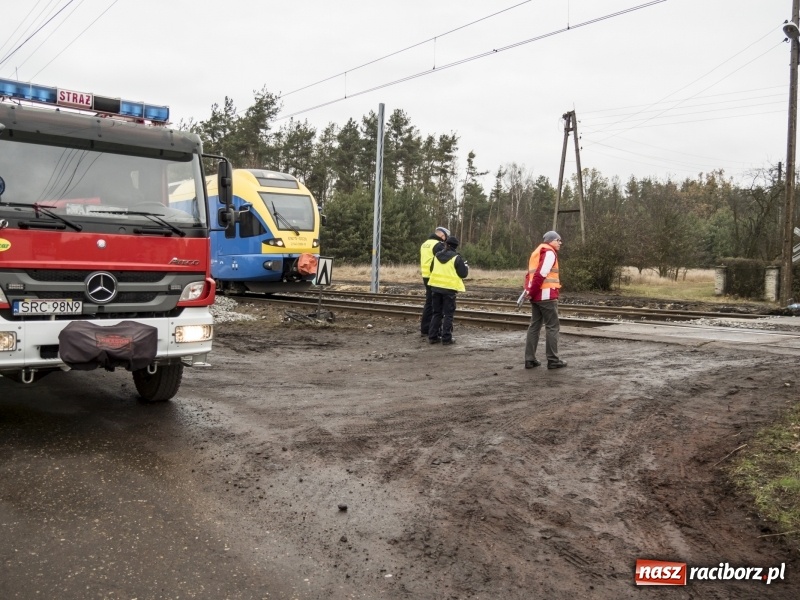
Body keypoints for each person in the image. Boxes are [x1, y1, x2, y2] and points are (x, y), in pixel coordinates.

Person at [523, 231, 567, 369]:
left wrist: (529, 291)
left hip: (536, 296)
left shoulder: (536, 252)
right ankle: (553, 360)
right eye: (558, 240)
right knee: (552, 326)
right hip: (546, 296)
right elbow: (541, 273)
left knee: (534, 326)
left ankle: (529, 359)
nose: (560, 243)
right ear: (551, 240)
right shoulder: (549, 252)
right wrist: (532, 291)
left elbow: (528, 275)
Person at [428, 236, 469, 345]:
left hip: (435, 288)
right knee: (448, 314)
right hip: (449, 290)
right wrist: (466, 267)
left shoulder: (436, 256)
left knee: (436, 313)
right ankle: (446, 338)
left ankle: (433, 336)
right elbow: (463, 274)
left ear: (446, 244)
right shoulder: (457, 258)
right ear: (456, 246)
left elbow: (431, 269)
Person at [419, 226, 449, 336]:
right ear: (442, 235)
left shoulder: (425, 244)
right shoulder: (437, 245)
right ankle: (433, 329)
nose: (445, 240)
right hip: (434, 276)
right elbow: (445, 258)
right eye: (445, 237)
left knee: (429, 302)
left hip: (426, 275)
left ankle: (425, 328)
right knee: (436, 304)